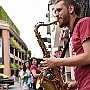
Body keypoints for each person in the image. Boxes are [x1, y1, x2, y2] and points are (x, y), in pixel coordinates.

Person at [42, 0, 90, 90]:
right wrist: (76, 84)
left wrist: (57, 61)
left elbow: (89, 56)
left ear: (71, 9)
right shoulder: (73, 33)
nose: (56, 14)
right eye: (55, 11)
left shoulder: (84, 22)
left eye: (59, 10)